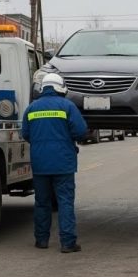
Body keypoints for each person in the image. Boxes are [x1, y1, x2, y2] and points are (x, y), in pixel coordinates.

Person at [20, 73, 89, 253]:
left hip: (40, 163)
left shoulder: (32, 108)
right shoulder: (67, 106)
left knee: (42, 202)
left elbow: (25, 134)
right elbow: (81, 131)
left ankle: (41, 240)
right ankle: (67, 243)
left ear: (43, 88)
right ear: (61, 87)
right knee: (65, 202)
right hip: (63, 163)